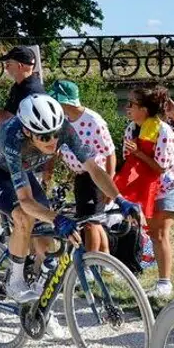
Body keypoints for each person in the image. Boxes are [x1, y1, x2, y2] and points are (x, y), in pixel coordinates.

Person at [0, 94, 139, 332]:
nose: (52, 141)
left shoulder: (63, 130)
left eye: (54, 134)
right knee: (24, 216)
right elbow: (26, 201)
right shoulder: (12, 137)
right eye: (44, 137)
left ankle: (39, 306)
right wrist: (57, 218)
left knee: (46, 244)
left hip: (22, 169)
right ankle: (14, 281)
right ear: (28, 132)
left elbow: (94, 168)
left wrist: (121, 200)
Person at [119, 85, 174, 299]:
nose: (127, 107)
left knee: (160, 234)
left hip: (166, 186)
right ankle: (140, 266)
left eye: (132, 104)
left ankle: (165, 283)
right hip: (145, 186)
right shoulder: (131, 129)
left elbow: (160, 167)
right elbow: (128, 159)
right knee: (148, 232)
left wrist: (138, 153)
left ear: (145, 109)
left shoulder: (164, 131)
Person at [47, 81, 116, 253]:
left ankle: (90, 260)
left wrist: (109, 185)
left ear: (64, 101)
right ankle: (105, 258)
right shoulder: (62, 120)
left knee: (90, 223)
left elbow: (110, 154)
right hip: (80, 176)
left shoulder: (93, 121)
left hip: (95, 177)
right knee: (93, 221)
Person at [0, 46, 45, 122]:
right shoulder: (21, 85)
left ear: (19, 66)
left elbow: (7, 120)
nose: (6, 68)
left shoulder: (29, 91)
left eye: (8, 64)